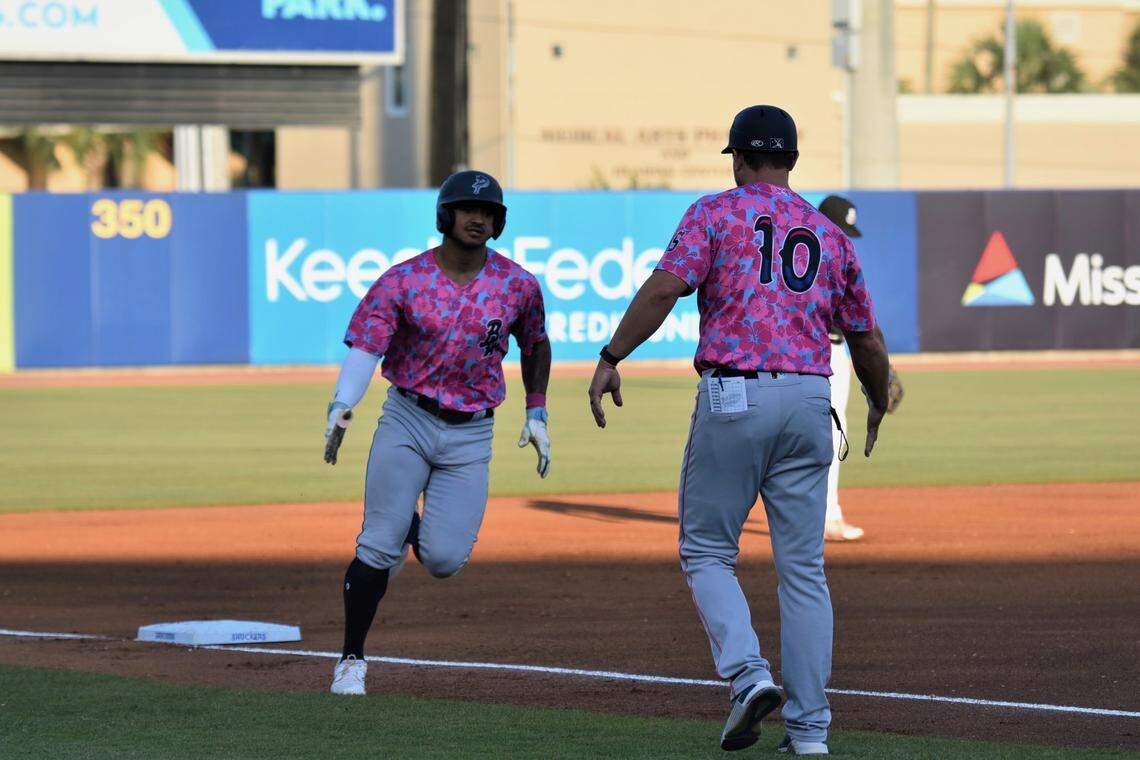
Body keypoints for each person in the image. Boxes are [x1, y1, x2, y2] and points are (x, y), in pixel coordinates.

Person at [587, 106, 890, 755]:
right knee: (804, 571)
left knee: (706, 552)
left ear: (737, 157)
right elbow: (864, 333)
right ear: (792, 160)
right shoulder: (827, 231)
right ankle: (810, 735)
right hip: (811, 398)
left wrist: (612, 356)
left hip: (735, 394)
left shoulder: (715, 212)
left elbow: (665, 289)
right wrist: (874, 395)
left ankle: (749, 674)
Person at [323, 170, 552, 696]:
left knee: (445, 560)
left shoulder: (517, 284)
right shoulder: (403, 280)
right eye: (469, 209)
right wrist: (343, 402)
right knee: (377, 546)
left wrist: (536, 410)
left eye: (489, 212)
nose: (479, 219)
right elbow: (367, 347)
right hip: (408, 417)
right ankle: (351, 661)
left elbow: (536, 344)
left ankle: (411, 525)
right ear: (446, 216)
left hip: (471, 433)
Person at [815, 195, 904, 542]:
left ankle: (818, 516)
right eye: (842, 228)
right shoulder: (828, 257)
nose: (845, 236)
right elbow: (858, 323)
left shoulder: (805, 251)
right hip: (826, 353)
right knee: (832, 433)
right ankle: (828, 518)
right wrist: (876, 364)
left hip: (812, 352)